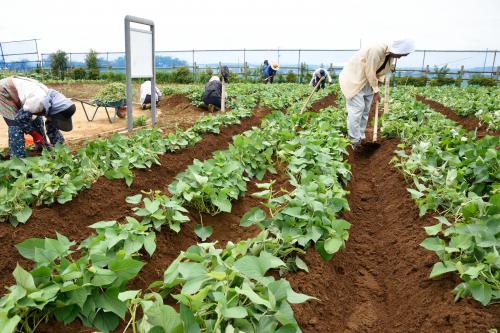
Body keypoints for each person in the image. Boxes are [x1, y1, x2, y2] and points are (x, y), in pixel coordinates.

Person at [339, 39, 415, 148]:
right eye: (402, 54)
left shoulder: (391, 56)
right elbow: (370, 70)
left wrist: (378, 83)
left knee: (365, 110)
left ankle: (360, 136)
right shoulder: (377, 49)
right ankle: (354, 141)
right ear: (398, 50)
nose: (401, 57)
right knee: (357, 110)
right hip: (355, 79)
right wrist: (376, 91)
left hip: (368, 82)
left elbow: (380, 71)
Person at [0, 76, 75, 159]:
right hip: (4, 90)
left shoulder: (55, 103)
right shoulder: (39, 101)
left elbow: (52, 125)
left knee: (37, 121)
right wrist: (34, 134)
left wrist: (58, 145)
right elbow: (20, 119)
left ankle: (42, 147)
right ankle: (17, 158)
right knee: (15, 125)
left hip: (26, 95)